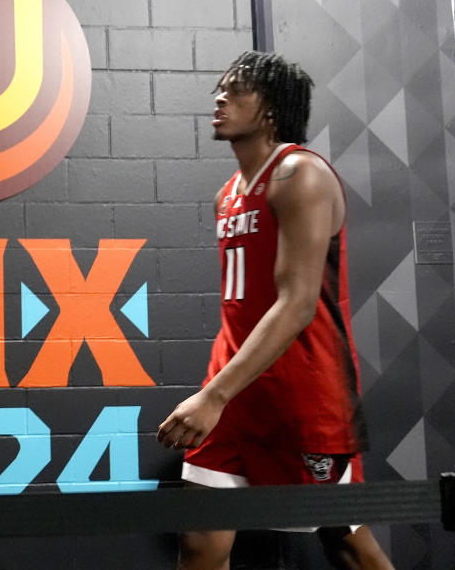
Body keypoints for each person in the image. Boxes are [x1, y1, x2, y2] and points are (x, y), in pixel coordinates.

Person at [156, 51, 393, 570]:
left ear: (269, 109)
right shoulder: (228, 195)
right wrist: (218, 392)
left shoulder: (298, 174)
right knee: (200, 542)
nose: (221, 97)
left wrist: (213, 395)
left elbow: (297, 303)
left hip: (304, 395)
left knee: (345, 541)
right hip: (235, 392)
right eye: (220, 88)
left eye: (236, 89)